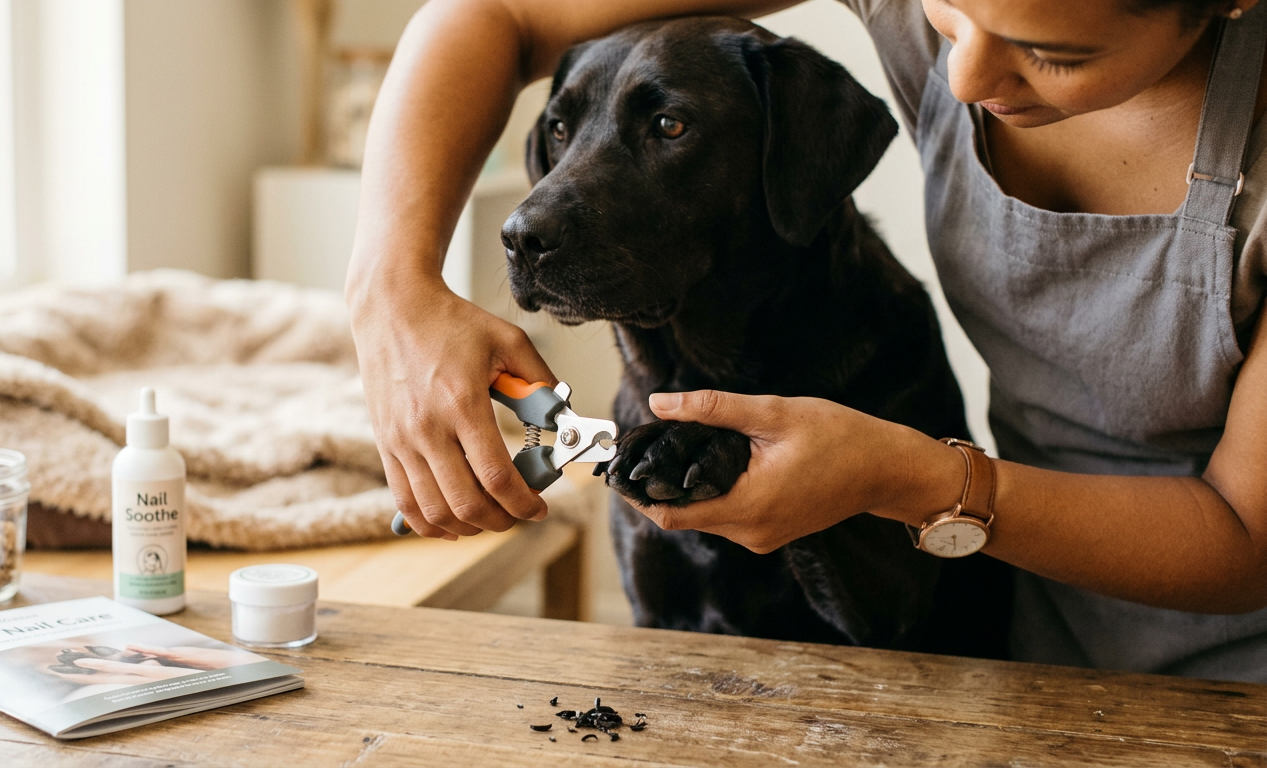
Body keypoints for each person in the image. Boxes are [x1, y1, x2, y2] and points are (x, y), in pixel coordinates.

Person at [345, 0, 1267, 682]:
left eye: (1050, 53)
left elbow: (1245, 540)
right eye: (947, 15)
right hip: (1026, 641)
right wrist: (391, 291)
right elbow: (494, 10)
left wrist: (908, 480)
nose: (963, 83)